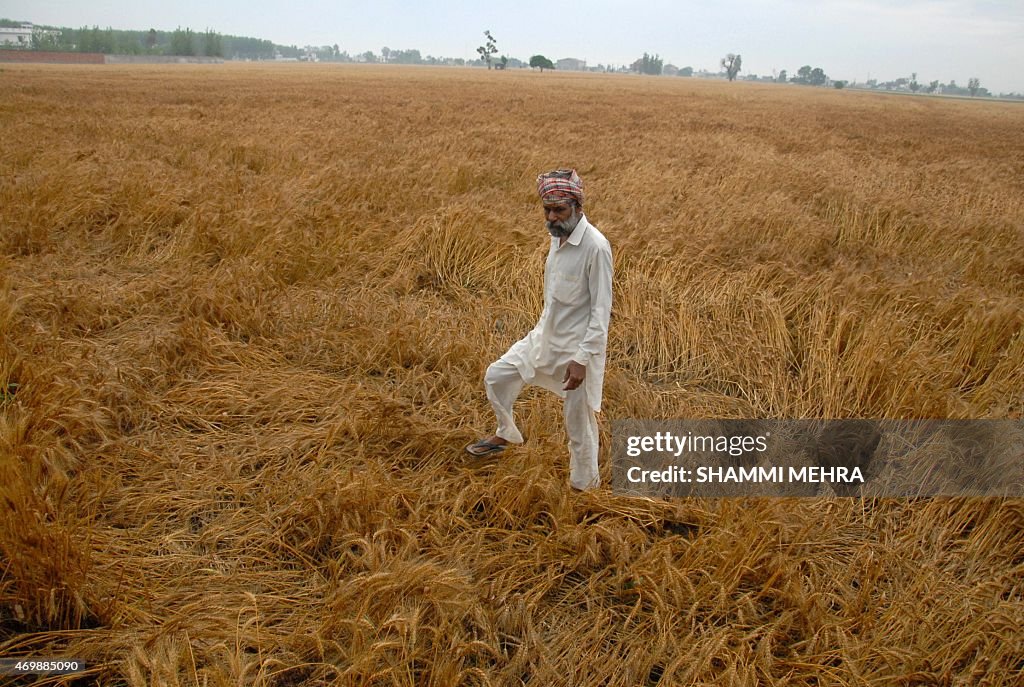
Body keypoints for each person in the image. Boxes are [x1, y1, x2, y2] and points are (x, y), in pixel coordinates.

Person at [465, 169, 613, 491]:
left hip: (576, 350)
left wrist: (582, 359)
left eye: (558, 210)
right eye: (547, 209)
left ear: (577, 206)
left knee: (579, 425)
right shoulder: (556, 237)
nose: (551, 216)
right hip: (544, 337)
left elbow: (601, 314)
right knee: (496, 375)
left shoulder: (596, 248)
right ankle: (507, 432)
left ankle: (583, 487)